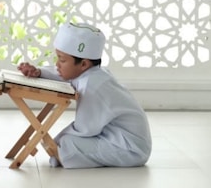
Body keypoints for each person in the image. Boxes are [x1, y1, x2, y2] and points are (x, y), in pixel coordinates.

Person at [18, 22, 152, 169]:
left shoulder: (93, 86)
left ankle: (61, 156)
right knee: (65, 142)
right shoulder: (89, 73)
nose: (57, 65)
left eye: (62, 60)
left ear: (84, 64)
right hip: (116, 137)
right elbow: (65, 74)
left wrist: (54, 139)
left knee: (67, 143)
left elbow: (85, 129)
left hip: (130, 148)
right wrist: (38, 72)